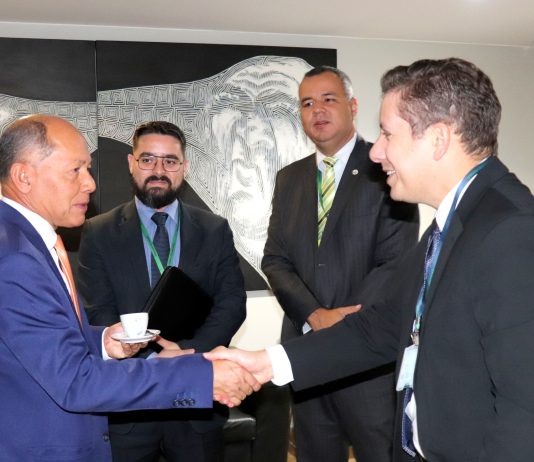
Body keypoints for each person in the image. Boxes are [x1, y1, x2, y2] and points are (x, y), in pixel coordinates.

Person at [207, 57, 534, 462]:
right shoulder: (454, 224)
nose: (377, 151)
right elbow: (381, 326)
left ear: (438, 139)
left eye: (387, 133)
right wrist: (265, 363)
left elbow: (524, 410)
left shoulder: (511, 231)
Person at [0, 114, 258, 462]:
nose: (90, 184)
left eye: (88, 169)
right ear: (24, 176)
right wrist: (199, 375)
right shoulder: (16, 258)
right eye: (75, 170)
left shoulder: (23, 243)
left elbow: (47, 339)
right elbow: (75, 379)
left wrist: (103, 341)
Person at [261, 65, 419, 462]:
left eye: (328, 99)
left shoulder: (388, 168)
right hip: (307, 355)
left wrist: (343, 324)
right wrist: (314, 315)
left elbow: (395, 262)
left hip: (368, 362)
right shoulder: (288, 179)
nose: (317, 110)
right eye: (307, 103)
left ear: (352, 106)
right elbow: (275, 259)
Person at [77, 120, 247, 461]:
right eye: (148, 159)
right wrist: (153, 362)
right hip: (129, 404)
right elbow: (98, 311)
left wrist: (186, 352)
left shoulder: (214, 229)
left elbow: (231, 305)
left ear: (184, 167)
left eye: (170, 161)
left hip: (196, 401)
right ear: (131, 163)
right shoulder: (98, 232)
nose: (159, 170)